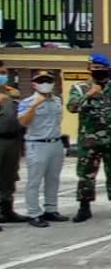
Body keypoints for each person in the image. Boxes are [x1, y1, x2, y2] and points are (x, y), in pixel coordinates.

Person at [67, 54, 111, 222]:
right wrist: (89, 95)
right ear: (89, 68)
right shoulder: (80, 88)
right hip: (89, 141)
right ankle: (84, 207)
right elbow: (72, 108)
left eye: (102, 68)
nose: (99, 71)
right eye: (95, 68)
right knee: (86, 175)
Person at [16, 70, 67, 227]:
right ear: (34, 84)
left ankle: (51, 209)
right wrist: (34, 106)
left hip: (56, 143)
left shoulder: (57, 101)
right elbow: (23, 122)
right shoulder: (27, 101)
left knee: (53, 179)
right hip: (36, 144)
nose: (45, 83)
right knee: (34, 181)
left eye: (48, 80)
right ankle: (34, 213)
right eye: (41, 80)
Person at [0, 63, 27, 226]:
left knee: (9, 177)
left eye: (4, 73)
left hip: (13, 140)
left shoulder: (12, 93)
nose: (3, 76)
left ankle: (7, 209)